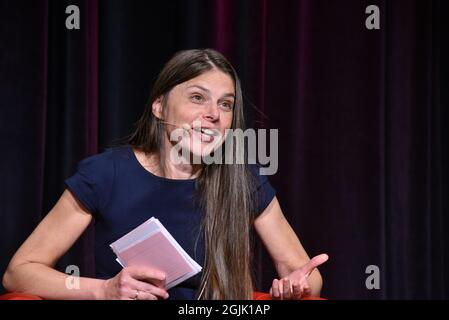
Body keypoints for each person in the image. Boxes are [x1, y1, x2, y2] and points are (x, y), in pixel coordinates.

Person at [2, 48, 328, 300]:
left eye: (226, 104)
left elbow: (306, 275)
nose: (213, 114)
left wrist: (298, 285)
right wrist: (102, 291)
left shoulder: (244, 180)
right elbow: (19, 273)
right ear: (160, 107)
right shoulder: (105, 173)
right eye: (197, 98)